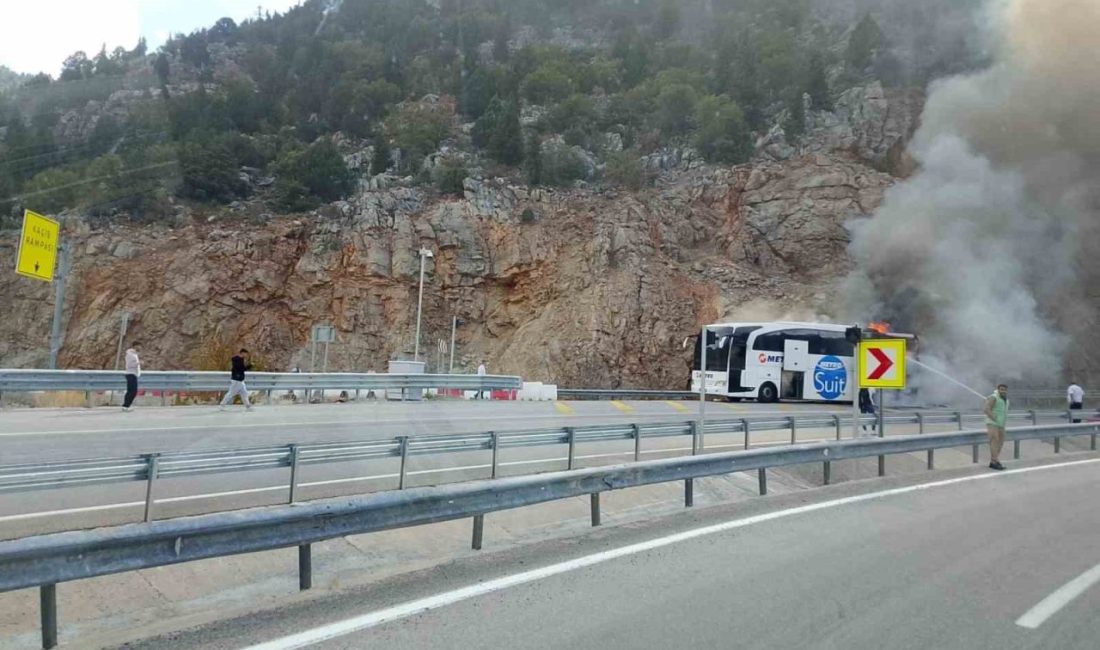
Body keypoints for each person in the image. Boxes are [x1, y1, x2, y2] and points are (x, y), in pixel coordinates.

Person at [984, 384, 1010, 471]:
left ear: (1007, 391)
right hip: (992, 423)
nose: (1003, 391)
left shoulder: (1006, 400)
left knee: (1000, 442)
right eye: (1001, 389)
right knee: (994, 441)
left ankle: (994, 460)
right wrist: (993, 417)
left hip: (1001, 423)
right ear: (998, 390)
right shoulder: (994, 397)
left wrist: (1002, 422)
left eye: (1005, 390)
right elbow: (986, 409)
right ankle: (994, 461)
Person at [122, 342, 141, 412]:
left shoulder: (134, 354)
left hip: (133, 374)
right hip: (131, 374)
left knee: (130, 391)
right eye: (138, 346)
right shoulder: (130, 354)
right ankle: (126, 405)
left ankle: (126, 406)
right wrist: (138, 363)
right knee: (133, 391)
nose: (140, 348)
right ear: (134, 346)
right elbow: (129, 365)